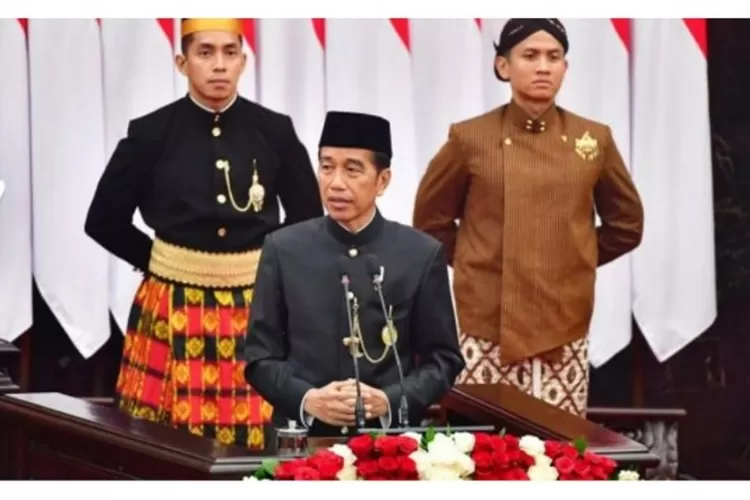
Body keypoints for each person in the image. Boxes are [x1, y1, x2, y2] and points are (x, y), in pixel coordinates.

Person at [84, 18, 324, 449]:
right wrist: (163, 262)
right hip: (170, 299)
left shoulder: (274, 130)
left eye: (230, 53)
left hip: (253, 304)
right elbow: (103, 219)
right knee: (160, 438)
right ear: (182, 62)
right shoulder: (151, 132)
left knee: (256, 435)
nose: (219, 65)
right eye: (205, 52)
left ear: (243, 61)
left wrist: (268, 269)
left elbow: (308, 216)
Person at [412, 19, 644, 418]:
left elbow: (626, 226)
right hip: (486, 320)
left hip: (563, 320)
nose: (543, 67)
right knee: (483, 446)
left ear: (565, 68)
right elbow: (430, 224)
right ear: (503, 66)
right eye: (530, 56)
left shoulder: (593, 139)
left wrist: (571, 260)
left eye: (554, 57)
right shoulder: (470, 138)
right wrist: (482, 262)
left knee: (559, 446)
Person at [244, 111, 465, 436]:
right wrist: (308, 399)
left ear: (383, 181)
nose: (336, 183)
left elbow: (444, 359)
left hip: (390, 443)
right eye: (327, 167)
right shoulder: (283, 248)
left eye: (352, 170)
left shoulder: (420, 253)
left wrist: (389, 400)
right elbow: (259, 357)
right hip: (303, 441)